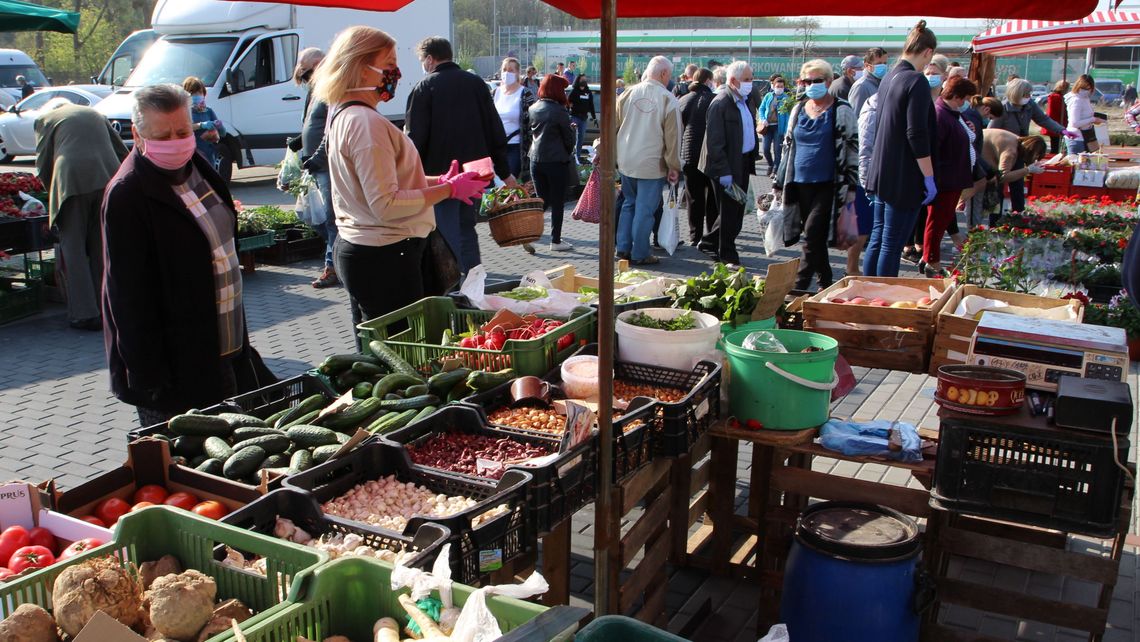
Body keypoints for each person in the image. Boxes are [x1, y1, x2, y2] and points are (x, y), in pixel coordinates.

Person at [101, 84, 276, 426]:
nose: (175, 142)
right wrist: (148, 376)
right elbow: (127, 296)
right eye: (162, 135)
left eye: (182, 131)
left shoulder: (198, 166)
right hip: (176, 371)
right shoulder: (127, 195)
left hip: (226, 348)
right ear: (137, 134)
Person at [317, 27, 487, 338]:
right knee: (404, 351)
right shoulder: (365, 123)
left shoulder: (347, 116)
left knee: (381, 351)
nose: (395, 72)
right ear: (359, 66)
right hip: (385, 257)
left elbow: (382, 182)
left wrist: (441, 180)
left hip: (371, 251)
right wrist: (448, 189)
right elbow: (385, 204)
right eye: (389, 63)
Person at [406, 37, 513, 272]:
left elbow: (415, 139)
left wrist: (410, 176)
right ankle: (474, 283)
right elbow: (494, 129)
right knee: (467, 230)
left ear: (430, 59)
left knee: (444, 233)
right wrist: (505, 172)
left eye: (423, 60)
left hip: (439, 177)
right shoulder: (476, 84)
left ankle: (452, 289)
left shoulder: (424, 88)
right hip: (474, 173)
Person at [34, 101, 128, 330]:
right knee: (100, 246)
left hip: (72, 182)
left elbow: (43, 163)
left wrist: (52, 195)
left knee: (73, 248)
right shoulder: (95, 113)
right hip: (107, 179)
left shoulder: (46, 120)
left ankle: (84, 314)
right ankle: (106, 307)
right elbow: (122, 151)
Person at [774, 59, 859, 290]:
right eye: (807, 81)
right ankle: (826, 281)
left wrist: (852, 186)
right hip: (798, 182)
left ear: (829, 81)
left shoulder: (841, 110)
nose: (812, 85)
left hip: (828, 184)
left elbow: (852, 148)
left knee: (812, 234)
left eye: (817, 80)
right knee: (815, 237)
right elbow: (787, 145)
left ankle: (799, 286)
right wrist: (779, 180)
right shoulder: (798, 108)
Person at [864, 21, 938, 278]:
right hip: (903, 175)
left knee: (878, 237)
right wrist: (928, 176)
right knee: (891, 244)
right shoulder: (916, 81)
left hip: (882, 170)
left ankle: (867, 290)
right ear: (927, 52)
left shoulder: (889, 77)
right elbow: (915, 132)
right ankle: (880, 298)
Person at [615, 55, 682, 266]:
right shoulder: (667, 98)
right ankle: (640, 253)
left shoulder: (627, 93)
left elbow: (614, 125)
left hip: (626, 160)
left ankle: (623, 248)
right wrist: (674, 165)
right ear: (663, 74)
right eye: (668, 75)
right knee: (645, 211)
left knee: (629, 204)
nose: (668, 79)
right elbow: (673, 136)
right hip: (651, 164)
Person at [287, 47, 339, 288]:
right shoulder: (315, 90)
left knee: (330, 218)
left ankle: (333, 266)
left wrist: (317, 155)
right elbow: (313, 122)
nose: (306, 78)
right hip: (315, 164)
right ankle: (336, 259)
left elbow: (332, 128)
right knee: (314, 217)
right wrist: (299, 142)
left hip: (326, 163)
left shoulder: (331, 88)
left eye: (307, 72)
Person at [699, 61, 759, 267]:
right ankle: (728, 254)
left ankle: (708, 242)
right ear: (733, 81)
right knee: (729, 213)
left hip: (741, 161)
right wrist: (723, 171)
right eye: (747, 80)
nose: (751, 83)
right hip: (725, 165)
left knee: (736, 209)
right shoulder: (721, 103)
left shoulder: (744, 100)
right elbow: (715, 142)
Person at [988, 78, 1073, 213]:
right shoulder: (1002, 109)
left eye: (1029, 94)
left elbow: (1043, 119)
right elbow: (990, 132)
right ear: (1016, 94)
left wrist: (1061, 130)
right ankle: (995, 219)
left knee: (1018, 185)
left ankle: (1018, 215)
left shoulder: (1030, 105)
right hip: (1002, 152)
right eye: (1026, 94)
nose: (1029, 97)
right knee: (999, 184)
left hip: (1021, 149)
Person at [922, 76, 978, 278]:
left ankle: (928, 258)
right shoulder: (940, 115)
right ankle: (931, 262)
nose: (965, 103)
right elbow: (934, 149)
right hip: (945, 179)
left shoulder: (952, 114)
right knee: (936, 223)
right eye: (964, 98)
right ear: (956, 96)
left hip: (953, 178)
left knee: (942, 220)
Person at [529, 74, 576, 252]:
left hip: (536, 159)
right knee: (557, 202)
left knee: (542, 200)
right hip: (556, 160)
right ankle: (555, 241)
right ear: (557, 90)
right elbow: (568, 141)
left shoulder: (534, 108)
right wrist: (572, 131)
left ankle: (531, 235)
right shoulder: (559, 111)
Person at [679, 68, 716, 246]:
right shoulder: (714, 99)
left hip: (688, 155)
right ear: (709, 81)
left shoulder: (683, 99)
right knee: (712, 199)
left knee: (693, 197)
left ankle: (695, 236)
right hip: (709, 155)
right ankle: (711, 236)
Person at [981, 129, 1047, 226]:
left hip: (986, 150)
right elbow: (1002, 176)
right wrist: (1028, 170)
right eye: (1035, 156)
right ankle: (992, 226)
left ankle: (1015, 221)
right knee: (996, 193)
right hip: (977, 155)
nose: (1035, 159)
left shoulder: (1018, 141)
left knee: (1010, 190)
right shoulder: (1010, 152)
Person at [493, 57, 536, 180]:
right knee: (495, 185)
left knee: (508, 181)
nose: (507, 73)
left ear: (517, 73)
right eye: (504, 69)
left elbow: (533, 119)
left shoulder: (525, 93)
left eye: (511, 70)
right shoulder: (495, 93)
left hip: (516, 146)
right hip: (497, 146)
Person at [181, 77, 225, 171]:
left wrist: (219, 126)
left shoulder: (208, 111)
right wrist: (201, 125)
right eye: (193, 93)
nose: (197, 95)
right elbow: (184, 128)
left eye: (199, 92)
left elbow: (222, 133)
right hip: (190, 155)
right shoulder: (184, 111)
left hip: (209, 154)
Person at [757, 75, 791, 177]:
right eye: (777, 86)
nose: (779, 88)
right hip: (767, 126)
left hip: (778, 127)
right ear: (773, 86)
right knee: (766, 149)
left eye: (781, 86)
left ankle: (775, 170)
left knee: (777, 149)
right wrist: (763, 119)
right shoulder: (768, 96)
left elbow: (788, 115)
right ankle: (771, 165)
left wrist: (786, 130)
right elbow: (762, 109)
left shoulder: (786, 98)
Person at [1066, 74, 1104, 154]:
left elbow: (1085, 115)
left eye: (1089, 88)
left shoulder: (1085, 98)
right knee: (1078, 164)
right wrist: (1092, 119)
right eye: (1084, 88)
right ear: (1078, 86)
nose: (1086, 90)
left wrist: (1094, 119)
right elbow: (1074, 123)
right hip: (1076, 138)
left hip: (1086, 136)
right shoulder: (1076, 100)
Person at [848, 47, 889, 116]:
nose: (883, 66)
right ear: (867, 65)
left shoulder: (882, 84)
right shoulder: (861, 87)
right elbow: (855, 116)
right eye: (879, 64)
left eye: (885, 63)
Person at [568, 75, 597, 157]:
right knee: (572, 137)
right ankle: (570, 155)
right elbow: (567, 103)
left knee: (581, 138)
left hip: (584, 118)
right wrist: (567, 113)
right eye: (582, 79)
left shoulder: (588, 92)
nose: (584, 80)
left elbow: (591, 105)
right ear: (578, 80)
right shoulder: (574, 91)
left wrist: (594, 118)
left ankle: (577, 156)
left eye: (585, 79)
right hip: (574, 117)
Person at [1045, 80, 1069, 155]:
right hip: (1056, 125)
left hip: (1055, 124)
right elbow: (1062, 111)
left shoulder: (1055, 96)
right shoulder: (1056, 97)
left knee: (1056, 146)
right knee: (1055, 147)